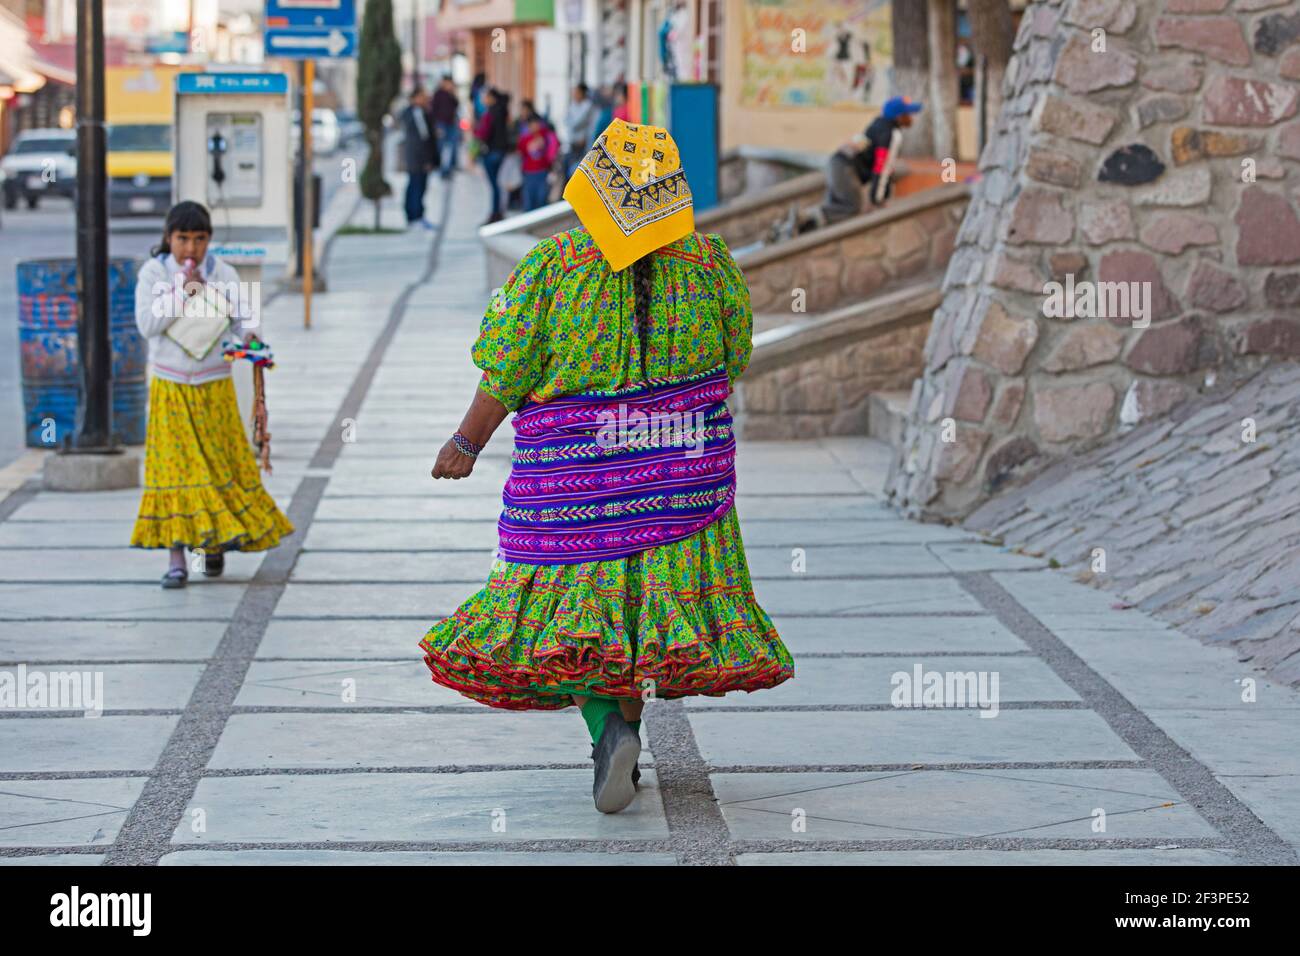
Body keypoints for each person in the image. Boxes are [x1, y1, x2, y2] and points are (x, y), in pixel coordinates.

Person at [419, 119, 794, 814]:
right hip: (681, 491)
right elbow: (735, 357)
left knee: (582, 621)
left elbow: (508, 368)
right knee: (638, 618)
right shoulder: (711, 265)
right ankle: (616, 739)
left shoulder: (554, 268)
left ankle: (610, 730)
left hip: (578, 493)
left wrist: (465, 443)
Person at [131, 200, 293, 587]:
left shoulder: (224, 273)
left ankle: (213, 544)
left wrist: (252, 339)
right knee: (176, 473)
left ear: (209, 241)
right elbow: (146, 324)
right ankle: (176, 560)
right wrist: (181, 293)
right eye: (182, 238)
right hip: (171, 388)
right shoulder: (154, 273)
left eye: (199, 239)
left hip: (214, 386)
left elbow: (246, 320)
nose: (190, 248)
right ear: (168, 238)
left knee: (218, 468)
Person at [802, 95, 923, 231]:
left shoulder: (877, 124)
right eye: (908, 114)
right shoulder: (892, 134)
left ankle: (803, 225)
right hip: (847, 168)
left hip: (837, 162)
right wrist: (878, 199)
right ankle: (806, 217)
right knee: (852, 207)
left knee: (835, 207)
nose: (911, 118)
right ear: (899, 116)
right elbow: (882, 167)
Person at [400, 88, 438, 229]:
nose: (426, 98)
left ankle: (414, 216)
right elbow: (422, 139)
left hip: (415, 157)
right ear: (415, 98)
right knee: (417, 187)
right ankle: (416, 217)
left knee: (415, 186)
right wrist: (426, 160)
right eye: (423, 96)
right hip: (417, 159)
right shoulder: (416, 113)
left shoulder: (417, 113)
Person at [474, 87, 512, 224]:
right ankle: (498, 211)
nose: (484, 100)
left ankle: (495, 212)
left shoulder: (491, 112)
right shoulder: (502, 110)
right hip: (500, 151)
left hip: (491, 151)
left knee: (494, 185)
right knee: (497, 183)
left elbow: (483, 133)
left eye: (485, 97)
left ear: (491, 98)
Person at [517, 113, 558, 211]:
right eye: (532, 125)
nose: (535, 127)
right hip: (529, 172)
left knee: (542, 198)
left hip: (542, 171)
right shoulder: (525, 139)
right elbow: (521, 153)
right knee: (529, 200)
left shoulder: (546, 135)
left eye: (537, 124)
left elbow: (552, 150)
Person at [562, 82, 598, 178]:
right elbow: (565, 120)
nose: (574, 95)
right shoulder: (573, 105)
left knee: (578, 171)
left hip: (583, 144)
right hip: (572, 144)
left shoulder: (588, 106)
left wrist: (585, 138)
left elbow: (577, 123)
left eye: (576, 92)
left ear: (582, 93)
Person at [430, 74, 461, 180]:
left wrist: (453, 93)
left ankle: (450, 169)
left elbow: (457, 104)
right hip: (441, 124)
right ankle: (442, 170)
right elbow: (433, 110)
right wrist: (435, 126)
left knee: (453, 146)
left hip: (451, 123)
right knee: (442, 148)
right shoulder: (438, 94)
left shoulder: (450, 94)